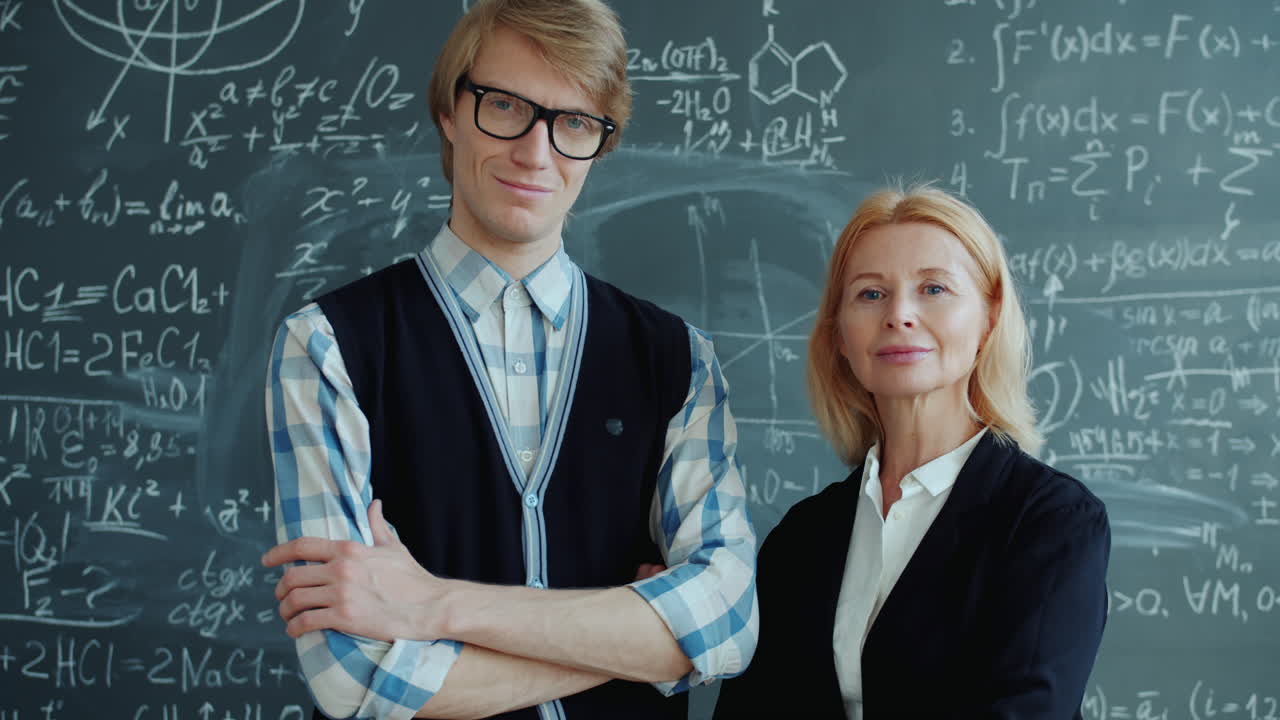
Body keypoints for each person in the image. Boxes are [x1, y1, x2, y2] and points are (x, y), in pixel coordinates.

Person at [261, 1, 758, 718]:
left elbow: (732, 623)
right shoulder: (329, 346)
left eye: (574, 123)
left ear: (600, 143)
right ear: (449, 113)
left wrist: (435, 606)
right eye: (505, 106)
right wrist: (639, 639)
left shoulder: (677, 360)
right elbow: (356, 680)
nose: (536, 151)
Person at [714, 185, 1110, 719]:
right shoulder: (801, 538)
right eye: (870, 294)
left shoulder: (1050, 521)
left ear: (989, 320)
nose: (899, 314)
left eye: (934, 289)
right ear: (840, 336)